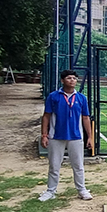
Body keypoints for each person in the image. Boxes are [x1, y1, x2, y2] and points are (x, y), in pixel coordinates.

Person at [39, 69, 93, 201]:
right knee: (54, 165)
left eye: (74, 78)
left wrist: (90, 136)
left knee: (78, 165)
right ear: (62, 80)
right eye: (69, 78)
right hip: (56, 136)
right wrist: (44, 135)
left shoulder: (81, 98)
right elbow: (46, 116)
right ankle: (50, 191)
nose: (72, 80)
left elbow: (85, 117)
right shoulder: (53, 96)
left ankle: (82, 189)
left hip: (75, 136)